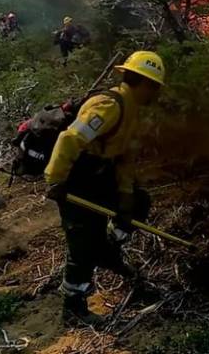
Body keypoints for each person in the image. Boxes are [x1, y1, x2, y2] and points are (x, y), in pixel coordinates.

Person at [44, 51, 165, 324]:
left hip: (100, 177)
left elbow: (124, 159)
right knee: (82, 244)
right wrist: (56, 180)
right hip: (76, 179)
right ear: (141, 82)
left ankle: (107, 249)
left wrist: (125, 198)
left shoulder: (132, 110)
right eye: (153, 86)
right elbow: (69, 139)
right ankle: (73, 308)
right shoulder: (109, 106)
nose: (155, 93)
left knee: (139, 203)